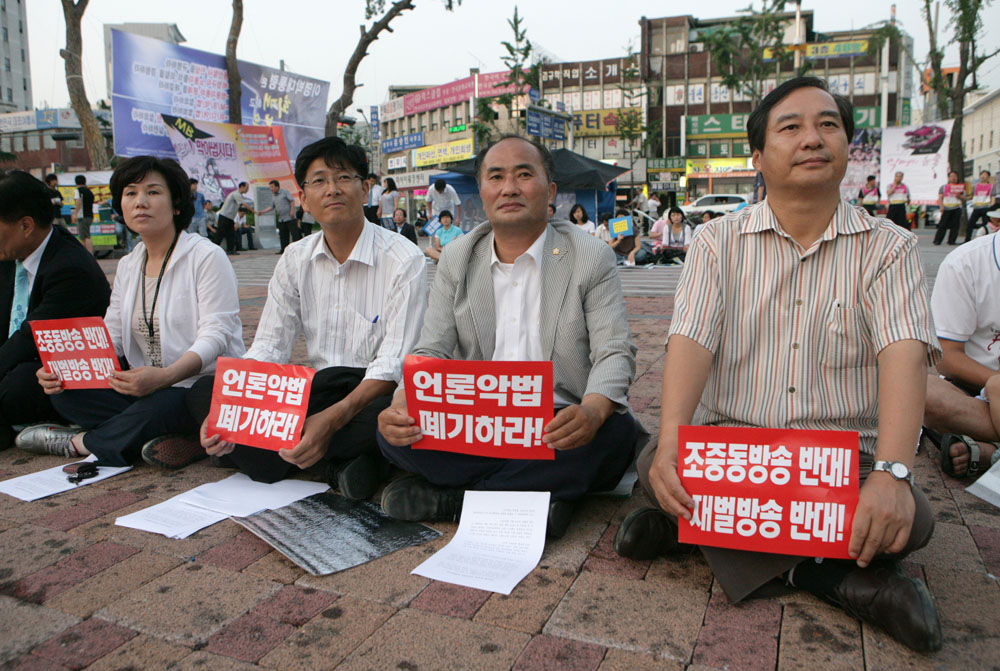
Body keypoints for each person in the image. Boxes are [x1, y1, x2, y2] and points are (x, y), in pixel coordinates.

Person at [615, 77, 942, 653]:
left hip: (840, 462)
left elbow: (905, 356)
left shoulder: (889, 247)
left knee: (910, 518)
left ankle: (694, 531)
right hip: (731, 452)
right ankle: (830, 576)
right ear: (759, 157)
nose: (812, 138)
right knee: (654, 457)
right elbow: (690, 341)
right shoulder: (717, 241)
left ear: (847, 147)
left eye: (828, 125)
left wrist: (891, 473)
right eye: (791, 127)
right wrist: (672, 441)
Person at [376, 135, 643, 539]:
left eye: (524, 175)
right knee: (391, 433)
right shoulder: (458, 257)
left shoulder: (590, 256)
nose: (510, 188)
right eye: (496, 177)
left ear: (549, 191)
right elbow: (431, 349)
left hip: (558, 421)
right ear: (482, 191)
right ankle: (540, 495)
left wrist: (591, 412)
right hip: (481, 422)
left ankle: (455, 500)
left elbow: (614, 351)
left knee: (615, 437)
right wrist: (402, 403)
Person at [188, 136, 427, 499]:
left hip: (371, 393)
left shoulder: (404, 259)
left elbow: (393, 364)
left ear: (365, 189)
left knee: (401, 416)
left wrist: (331, 420)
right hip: (318, 388)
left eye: (343, 178)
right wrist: (231, 403)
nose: (332, 189)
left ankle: (279, 455)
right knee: (205, 392)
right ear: (303, 198)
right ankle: (339, 464)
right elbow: (269, 345)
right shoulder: (295, 257)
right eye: (319, 181)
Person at [15, 156, 244, 468]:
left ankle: (81, 442)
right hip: (142, 387)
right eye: (131, 193)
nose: (140, 202)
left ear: (176, 204)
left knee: (163, 405)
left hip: (197, 386)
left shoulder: (206, 257)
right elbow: (112, 334)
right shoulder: (129, 264)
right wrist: (66, 368)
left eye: (153, 192)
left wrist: (165, 377)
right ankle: (173, 438)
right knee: (65, 392)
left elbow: (216, 335)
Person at [0, 172, 111, 451]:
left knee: (17, 387)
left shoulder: (70, 269)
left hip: (56, 369)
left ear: (26, 225)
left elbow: (28, 339)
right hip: (19, 357)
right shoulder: (10, 252)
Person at [923, 212, 1000, 477]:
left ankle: (992, 452)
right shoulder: (966, 263)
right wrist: (994, 383)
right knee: (922, 391)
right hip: (975, 390)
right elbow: (947, 357)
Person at [258, 180, 298, 254]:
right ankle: (284, 250)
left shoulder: (285, 192)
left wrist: (292, 211)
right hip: (281, 218)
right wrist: (262, 212)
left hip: (290, 217)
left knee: (294, 234)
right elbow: (272, 206)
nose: (271, 189)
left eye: (272, 187)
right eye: (270, 187)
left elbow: (292, 201)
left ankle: (297, 250)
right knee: (283, 235)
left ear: (277, 187)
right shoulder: (273, 196)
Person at [216, 182, 252, 255]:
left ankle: (230, 250)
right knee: (220, 234)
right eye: (247, 188)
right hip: (224, 216)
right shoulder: (236, 194)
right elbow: (243, 204)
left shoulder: (239, 195)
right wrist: (254, 211)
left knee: (231, 234)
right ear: (242, 187)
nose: (247, 190)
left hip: (230, 218)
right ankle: (213, 249)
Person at [934, 170, 966, 246]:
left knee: (955, 225)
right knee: (942, 225)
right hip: (946, 208)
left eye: (955, 176)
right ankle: (937, 240)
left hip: (956, 208)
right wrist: (941, 207)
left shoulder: (960, 187)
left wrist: (960, 196)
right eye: (952, 176)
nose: (953, 178)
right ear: (948, 178)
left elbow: (964, 197)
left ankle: (951, 240)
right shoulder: (944, 187)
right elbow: (940, 197)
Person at [965, 170, 997, 242]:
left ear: (988, 177)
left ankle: (985, 240)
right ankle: (967, 240)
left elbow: (993, 197)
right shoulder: (976, 186)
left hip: (986, 207)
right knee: (970, 224)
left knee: (985, 225)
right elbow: (971, 196)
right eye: (982, 174)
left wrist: (991, 207)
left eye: (985, 175)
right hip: (976, 207)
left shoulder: (991, 186)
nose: (983, 176)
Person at [72, 175, 95, 254]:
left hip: (82, 216)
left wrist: (75, 214)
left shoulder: (78, 190)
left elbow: (78, 202)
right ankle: (86, 254)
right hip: (90, 216)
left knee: (85, 237)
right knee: (85, 236)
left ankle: (89, 254)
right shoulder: (89, 191)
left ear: (76, 182)